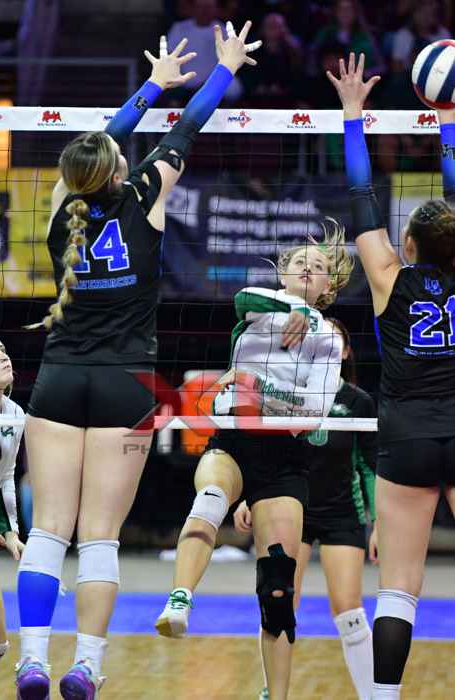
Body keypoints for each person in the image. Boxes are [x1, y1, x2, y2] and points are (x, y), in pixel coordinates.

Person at [15, 24, 261, 700]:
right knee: (99, 538)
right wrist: (222, 69)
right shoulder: (146, 193)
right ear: (120, 169)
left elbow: (97, 146)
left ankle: (31, 662)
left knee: (48, 531)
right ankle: (85, 667)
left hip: (60, 379)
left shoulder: (62, 210)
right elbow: (189, 126)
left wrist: (151, 84)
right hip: (127, 385)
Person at [155, 227, 354, 700]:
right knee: (210, 497)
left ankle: (275, 694)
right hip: (235, 441)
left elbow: (313, 411)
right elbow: (244, 297)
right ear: (283, 273)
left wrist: (256, 387)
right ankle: (180, 600)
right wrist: (297, 310)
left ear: (329, 286)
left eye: (319, 267)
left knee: (278, 589)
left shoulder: (328, 340)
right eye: (300, 262)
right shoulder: (256, 312)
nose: (308, 269)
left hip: (285, 457)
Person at [327, 52, 455, 700]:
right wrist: (449, 123)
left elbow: (361, 200)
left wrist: (353, 116)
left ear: (408, 246)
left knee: (399, 589)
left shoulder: (387, 278)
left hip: (405, 434)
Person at [234, 317, 378, 700]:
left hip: (342, 514)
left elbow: (369, 468)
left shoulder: (358, 401)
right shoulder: (286, 393)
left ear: (345, 352)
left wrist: (379, 523)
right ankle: (273, 690)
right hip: (292, 507)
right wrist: (251, 498)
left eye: (333, 341)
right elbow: (265, 454)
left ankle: (375, 696)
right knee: (278, 599)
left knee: (349, 611)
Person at [0, 333, 25, 677]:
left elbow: (4, 476)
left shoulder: (14, 414)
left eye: (2, 350)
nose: (2, 357)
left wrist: (10, 531)